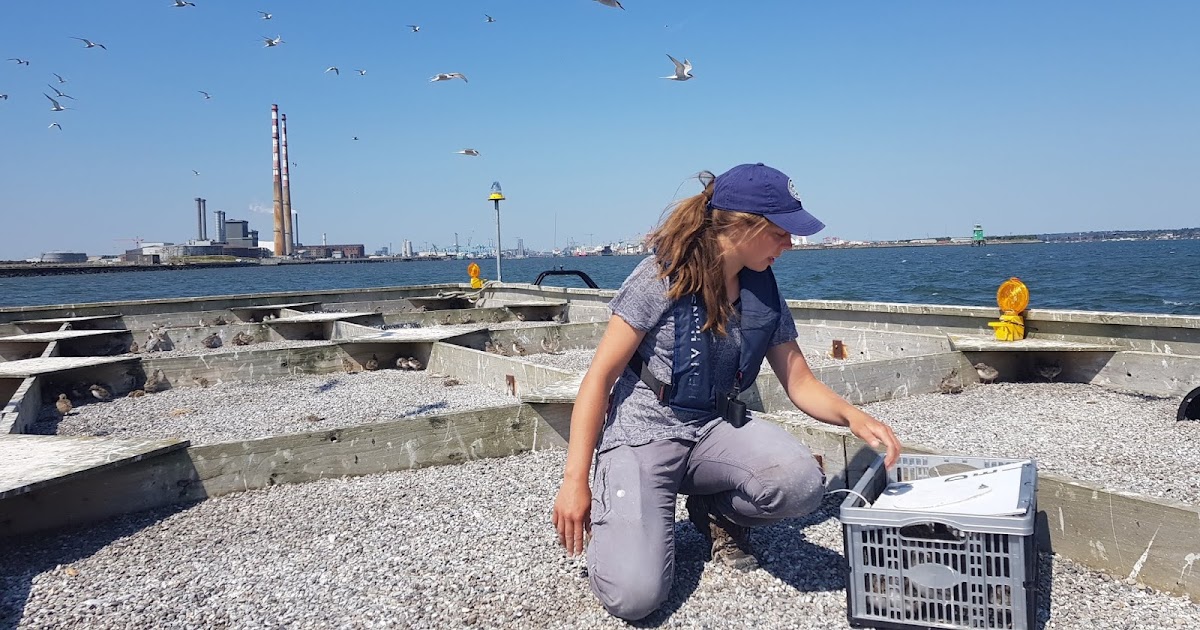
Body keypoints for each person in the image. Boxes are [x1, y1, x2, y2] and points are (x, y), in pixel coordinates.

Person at [550, 163, 902, 621]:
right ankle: (623, 513)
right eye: (780, 233)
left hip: (713, 426)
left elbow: (800, 381)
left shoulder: (763, 288)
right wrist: (574, 480)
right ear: (741, 226)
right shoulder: (658, 277)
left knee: (799, 484)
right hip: (645, 432)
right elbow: (598, 379)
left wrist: (854, 417)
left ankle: (714, 510)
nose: (790, 244)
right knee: (634, 597)